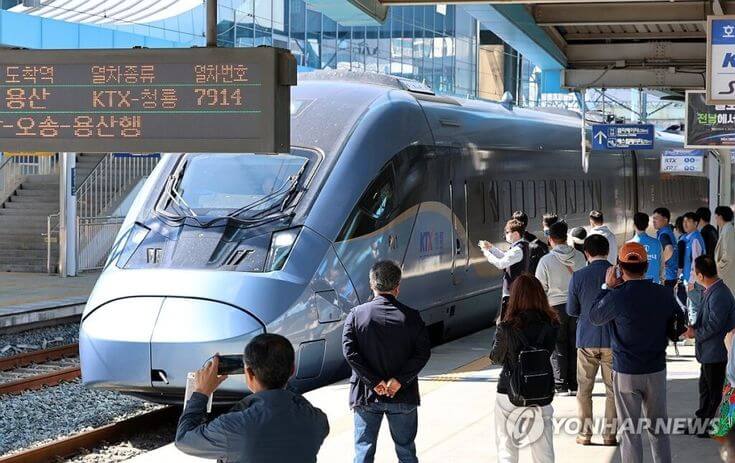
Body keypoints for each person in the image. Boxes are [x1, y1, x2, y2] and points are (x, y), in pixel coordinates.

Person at [589, 242, 685, 463]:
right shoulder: (663, 294)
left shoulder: (617, 296)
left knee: (630, 433)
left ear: (619, 268)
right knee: (658, 429)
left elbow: (595, 317)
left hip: (626, 372)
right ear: (647, 265)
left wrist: (607, 287)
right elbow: (679, 323)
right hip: (656, 370)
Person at [175, 334, 330, 463]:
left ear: (249, 373)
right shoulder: (317, 421)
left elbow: (184, 439)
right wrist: (280, 377)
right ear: (292, 370)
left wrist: (202, 392)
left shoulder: (232, 426)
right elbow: (295, 403)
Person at [342, 260, 431, 463]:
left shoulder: (356, 315)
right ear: (397, 287)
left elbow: (350, 352)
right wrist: (399, 380)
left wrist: (374, 382)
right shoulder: (412, 317)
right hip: (402, 395)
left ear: (372, 284)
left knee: (363, 452)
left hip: (366, 396)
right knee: (406, 451)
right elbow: (422, 353)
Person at [490, 274, 559, 463]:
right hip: (541, 390)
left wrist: (499, 328)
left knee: (506, 448)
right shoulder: (552, 324)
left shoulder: (507, 327)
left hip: (509, 391)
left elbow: (496, 358)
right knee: (544, 451)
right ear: (540, 295)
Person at [566, 234, 617, 446]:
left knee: (584, 390)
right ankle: (609, 436)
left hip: (586, 339)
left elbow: (571, 310)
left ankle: (584, 434)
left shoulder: (578, 276)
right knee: (612, 391)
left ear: (586, 253)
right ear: (607, 251)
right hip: (613, 340)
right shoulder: (618, 274)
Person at [685, 256, 735, 437]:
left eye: (694, 271)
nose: (693, 274)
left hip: (716, 352)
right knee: (705, 390)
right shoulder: (712, 290)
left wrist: (695, 333)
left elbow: (714, 325)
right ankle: (701, 423)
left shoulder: (719, 294)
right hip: (709, 352)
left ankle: (708, 426)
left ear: (700, 275)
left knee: (714, 392)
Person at [535, 220, 586, 395]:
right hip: (576, 307)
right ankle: (575, 384)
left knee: (558, 346)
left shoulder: (545, 260)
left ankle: (561, 384)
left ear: (551, 239)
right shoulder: (579, 257)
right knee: (575, 344)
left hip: (555, 308)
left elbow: (540, 288)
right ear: (566, 237)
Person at [480, 218, 530, 321]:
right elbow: (505, 256)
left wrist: (486, 253)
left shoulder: (517, 250)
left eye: (507, 232)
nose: (505, 235)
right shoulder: (519, 247)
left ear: (515, 234)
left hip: (513, 294)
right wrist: (491, 248)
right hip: (515, 292)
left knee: (508, 323)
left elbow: (501, 264)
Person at [683, 212, 707, 324]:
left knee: (694, 310)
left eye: (688, 221)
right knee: (693, 308)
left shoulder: (695, 239)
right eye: (684, 221)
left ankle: (696, 332)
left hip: (695, 282)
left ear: (696, 223)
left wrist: (691, 280)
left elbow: (696, 261)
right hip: (693, 280)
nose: (685, 224)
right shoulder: (690, 238)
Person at [629, 212, 663, 284]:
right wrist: (662, 281)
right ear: (647, 225)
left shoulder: (628, 245)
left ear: (633, 225)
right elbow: (661, 265)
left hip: (635, 285)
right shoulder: (657, 243)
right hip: (654, 284)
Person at [653, 207, 679, 288]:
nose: (653, 221)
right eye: (653, 219)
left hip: (667, 276)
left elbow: (669, 249)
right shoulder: (668, 231)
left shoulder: (663, 234)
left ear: (665, 219)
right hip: (671, 275)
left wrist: (658, 263)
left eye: (656, 218)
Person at [715, 206, 735, 297]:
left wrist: (718, 268)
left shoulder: (728, 230)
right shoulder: (726, 229)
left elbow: (728, 255)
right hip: (726, 274)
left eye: (716, 216)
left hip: (726, 274)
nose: (715, 219)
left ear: (720, 216)